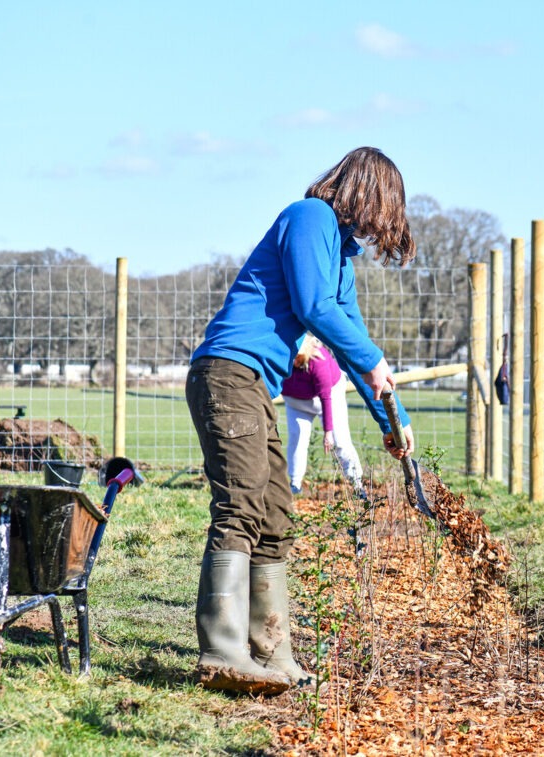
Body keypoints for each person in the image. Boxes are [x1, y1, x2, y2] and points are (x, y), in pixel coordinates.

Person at [185, 147, 416, 696]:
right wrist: (375, 359)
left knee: (275, 512)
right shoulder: (309, 217)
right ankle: (222, 649)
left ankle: (273, 652)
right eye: (384, 208)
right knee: (241, 502)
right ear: (365, 193)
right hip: (227, 373)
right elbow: (315, 309)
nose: (383, 224)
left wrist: (394, 417)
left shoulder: (338, 256)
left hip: (256, 385)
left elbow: (349, 335)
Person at [281, 334, 365, 498]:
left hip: (329, 399)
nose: (293, 363)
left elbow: (326, 397)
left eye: (296, 358)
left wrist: (328, 432)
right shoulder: (281, 358)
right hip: (296, 403)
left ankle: (357, 484)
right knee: (297, 438)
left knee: (340, 440)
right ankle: (295, 484)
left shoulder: (319, 362)